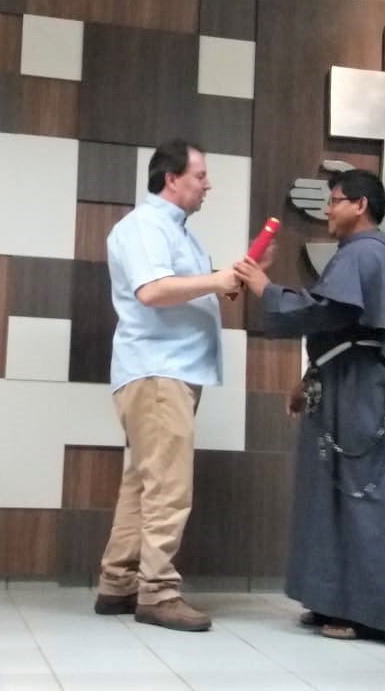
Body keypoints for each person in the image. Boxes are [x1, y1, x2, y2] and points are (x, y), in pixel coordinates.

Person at [233, 169, 385, 642]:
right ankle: (333, 600)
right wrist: (311, 376)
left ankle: (365, 612)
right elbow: (342, 329)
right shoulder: (362, 254)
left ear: (360, 205)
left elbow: (327, 312)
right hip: (346, 383)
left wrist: (265, 288)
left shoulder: (366, 253)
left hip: (361, 392)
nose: (327, 210)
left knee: (361, 494)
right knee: (336, 493)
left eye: (334, 200)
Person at [94, 139, 239, 632]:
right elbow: (153, 290)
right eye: (200, 175)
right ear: (171, 178)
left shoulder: (173, 231)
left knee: (145, 481)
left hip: (165, 371)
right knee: (168, 487)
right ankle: (157, 592)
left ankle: (118, 583)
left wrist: (220, 281)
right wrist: (215, 281)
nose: (208, 185)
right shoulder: (145, 226)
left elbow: (175, 287)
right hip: (158, 371)